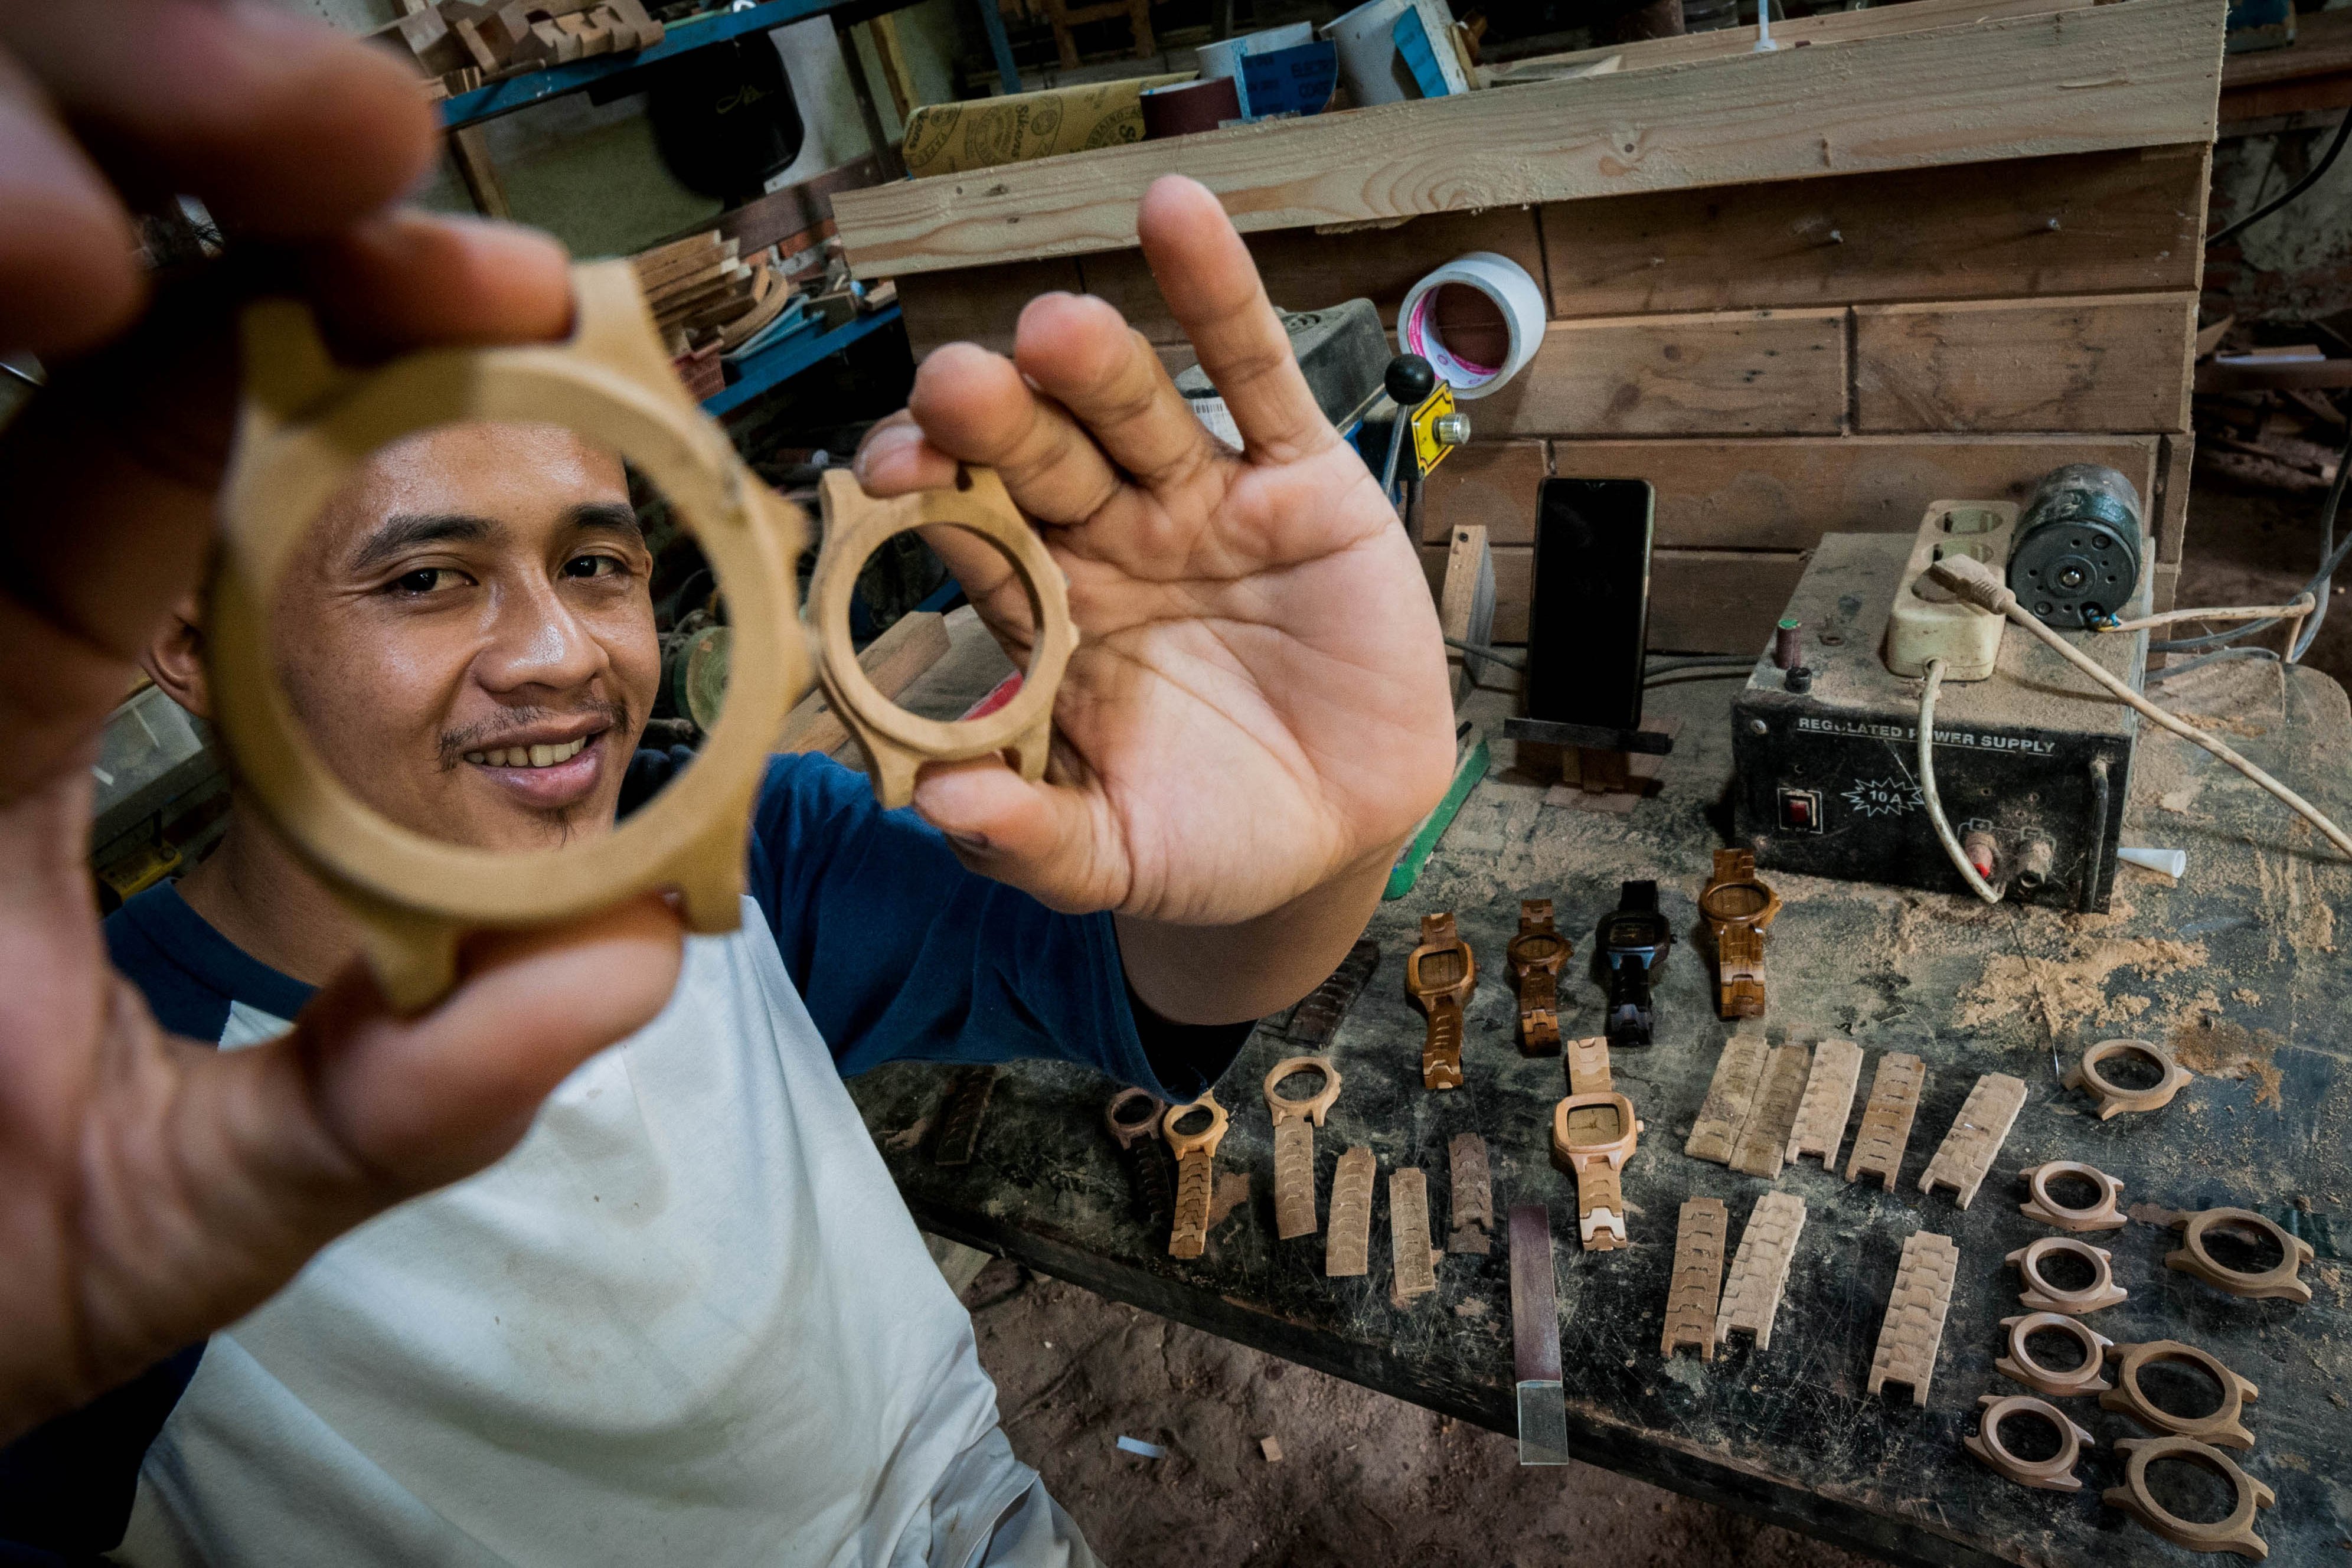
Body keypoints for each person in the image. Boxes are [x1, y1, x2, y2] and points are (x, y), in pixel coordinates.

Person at [0, 2, 1456, 1563]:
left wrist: (1331, 839)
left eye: (599, 560)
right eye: (427, 580)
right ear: (191, 640)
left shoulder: (722, 844)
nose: (562, 653)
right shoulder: (78, 1150)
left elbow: (1150, 999)